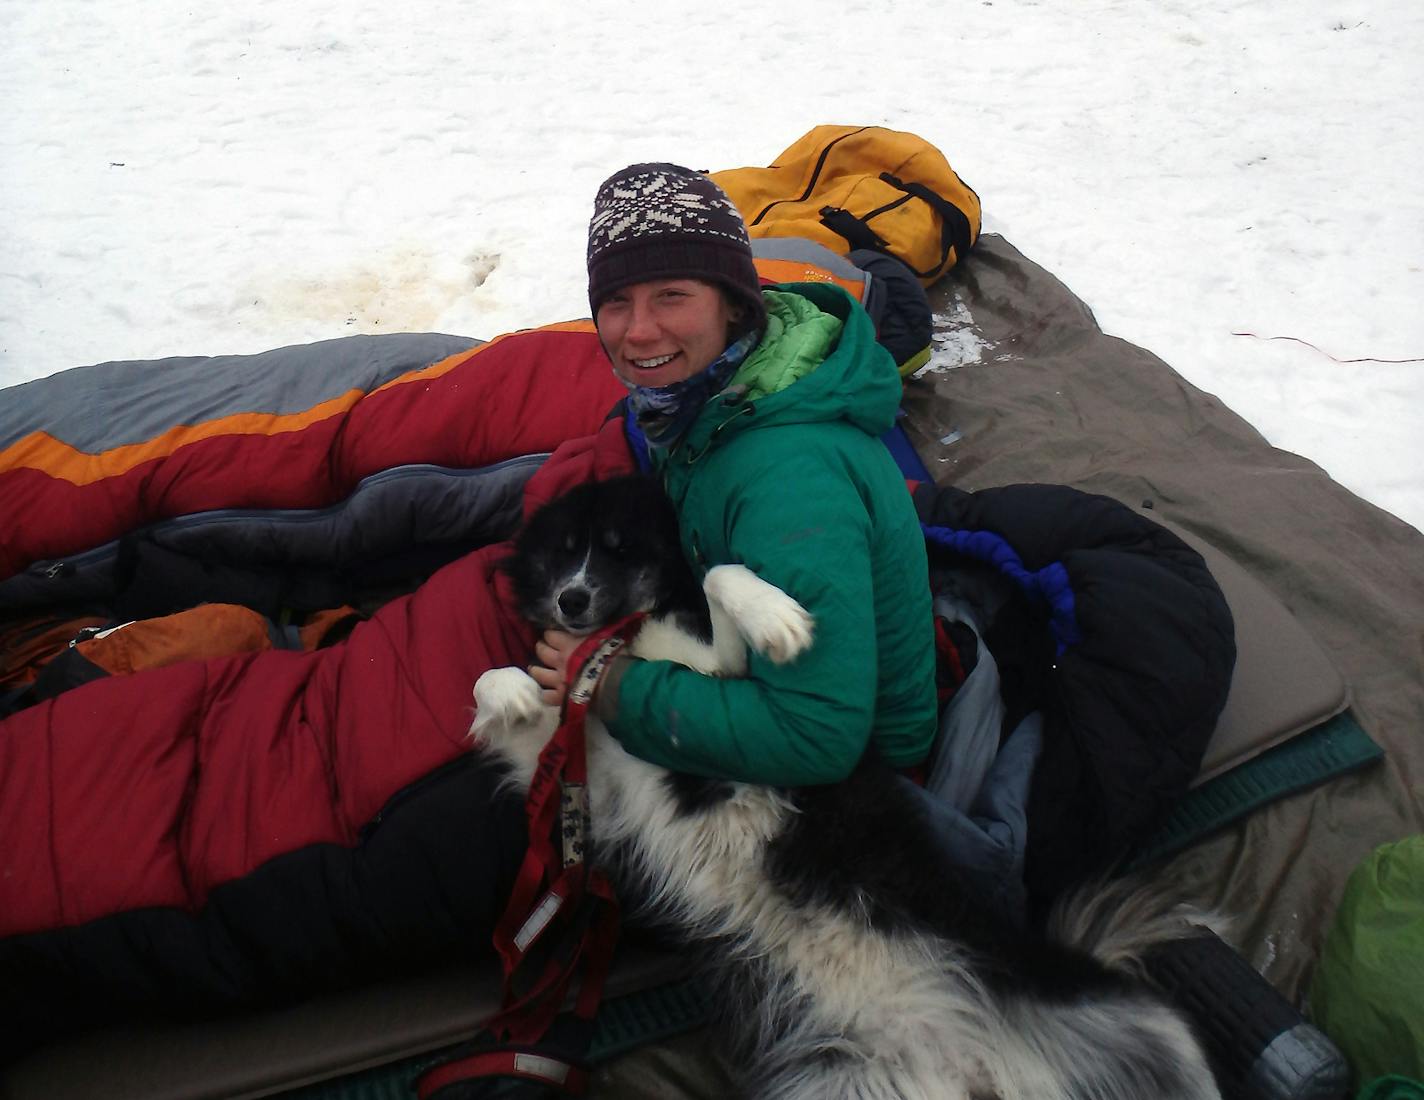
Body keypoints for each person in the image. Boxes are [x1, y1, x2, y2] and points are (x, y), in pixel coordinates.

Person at [528, 163, 937, 786]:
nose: (638, 331)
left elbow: (815, 737)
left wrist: (609, 684)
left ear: (736, 308)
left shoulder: (787, 475)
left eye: (671, 295)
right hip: (736, 678)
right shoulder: (701, 407)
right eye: (616, 302)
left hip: (851, 799)